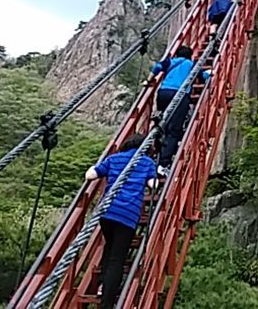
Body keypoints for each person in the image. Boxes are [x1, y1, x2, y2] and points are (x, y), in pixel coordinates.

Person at [85, 133, 157, 309]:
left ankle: (102, 284)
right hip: (128, 215)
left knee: (109, 246)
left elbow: (91, 175)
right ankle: (107, 303)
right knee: (117, 259)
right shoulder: (146, 162)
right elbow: (153, 185)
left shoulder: (114, 159)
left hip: (107, 213)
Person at [144, 45, 211, 176]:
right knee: (174, 131)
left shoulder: (170, 61)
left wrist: (149, 80)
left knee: (161, 126)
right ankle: (163, 164)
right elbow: (203, 76)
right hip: (179, 96)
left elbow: (157, 67)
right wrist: (209, 74)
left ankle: (155, 150)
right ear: (190, 55)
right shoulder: (191, 64)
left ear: (177, 54)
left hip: (163, 93)